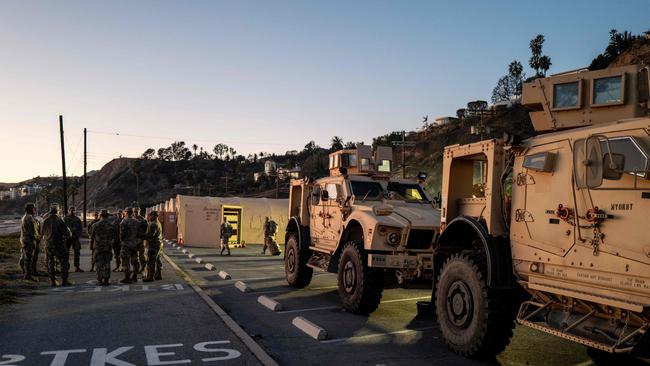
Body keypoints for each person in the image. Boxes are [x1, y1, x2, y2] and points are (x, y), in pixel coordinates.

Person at [40, 206, 72, 286]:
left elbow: (41, 233)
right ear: (57, 211)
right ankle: (64, 280)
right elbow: (67, 233)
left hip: (48, 244)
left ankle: (52, 281)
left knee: (51, 262)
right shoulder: (59, 220)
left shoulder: (45, 221)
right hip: (59, 244)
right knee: (64, 262)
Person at [91, 210, 115, 285]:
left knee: (99, 264)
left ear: (100, 215)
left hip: (99, 247)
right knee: (107, 263)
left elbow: (92, 236)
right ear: (107, 216)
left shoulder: (95, 225)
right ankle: (106, 280)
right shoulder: (111, 225)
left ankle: (100, 280)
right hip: (108, 246)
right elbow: (114, 236)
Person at [19, 203, 40, 281]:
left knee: (26, 257)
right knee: (28, 258)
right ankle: (27, 275)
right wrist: (37, 238)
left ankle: (29, 272)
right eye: (33, 209)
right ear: (29, 209)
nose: (35, 210)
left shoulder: (26, 217)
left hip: (25, 240)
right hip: (28, 241)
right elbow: (33, 231)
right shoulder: (29, 218)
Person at [119, 207, 140, 283]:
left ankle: (127, 277)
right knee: (135, 261)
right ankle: (135, 276)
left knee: (126, 261)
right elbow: (139, 233)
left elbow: (122, 234)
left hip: (126, 244)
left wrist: (121, 241)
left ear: (126, 212)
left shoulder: (124, 222)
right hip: (135, 243)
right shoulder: (137, 221)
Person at [143, 211, 163, 282]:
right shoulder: (158, 223)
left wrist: (141, 236)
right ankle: (158, 275)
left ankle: (150, 276)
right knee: (157, 260)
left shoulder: (153, 224)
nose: (149, 217)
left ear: (154, 216)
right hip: (158, 244)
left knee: (151, 260)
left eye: (151, 216)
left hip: (153, 244)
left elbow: (150, 235)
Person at [64, 207, 84, 272]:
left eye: (74, 210)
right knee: (66, 253)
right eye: (71, 210)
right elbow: (63, 228)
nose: (73, 211)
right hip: (67, 238)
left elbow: (80, 229)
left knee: (77, 252)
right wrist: (66, 236)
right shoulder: (65, 219)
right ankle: (65, 267)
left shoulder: (77, 219)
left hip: (75, 238)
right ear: (69, 211)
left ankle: (77, 267)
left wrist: (77, 236)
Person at [134, 207, 148, 274]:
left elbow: (146, 229)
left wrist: (143, 237)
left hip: (140, 240)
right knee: (134, 256)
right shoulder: (132, 219)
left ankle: (143, 267)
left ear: (139, 211)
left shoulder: (143, 220)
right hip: (133, 240)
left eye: (137, 211)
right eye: (135, 211)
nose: (136, 213)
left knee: (141, 255)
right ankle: (136, 268)